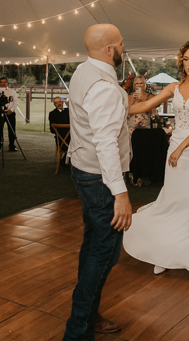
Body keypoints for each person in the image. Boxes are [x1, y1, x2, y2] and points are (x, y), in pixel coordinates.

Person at [123, 40, 189, 288]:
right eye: (186, 59)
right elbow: (144, 105)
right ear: (181, 62)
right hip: (176, 150)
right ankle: (167, 254)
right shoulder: (174, 87)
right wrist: (119, 107)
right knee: (172, 201)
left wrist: (181, 148)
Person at [63, 24, 131, 340]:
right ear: (109, 50)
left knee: (93, 245)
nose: (122, 47)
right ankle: (78, 331)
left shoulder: (82, 72)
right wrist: (120, 194)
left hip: (81, 171)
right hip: (100, 180)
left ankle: (89, 317)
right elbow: (105, 142)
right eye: (120, 44)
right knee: (105, 253)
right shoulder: (103, 86)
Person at [0, 77, 18, 152]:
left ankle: (12, 145)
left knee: (11, 129)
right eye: (1, 82)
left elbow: (16, 102)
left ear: (7, 82)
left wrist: (11, 110)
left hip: (9, 112)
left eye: (4, 82)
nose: (3, 83)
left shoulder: (12, 91)